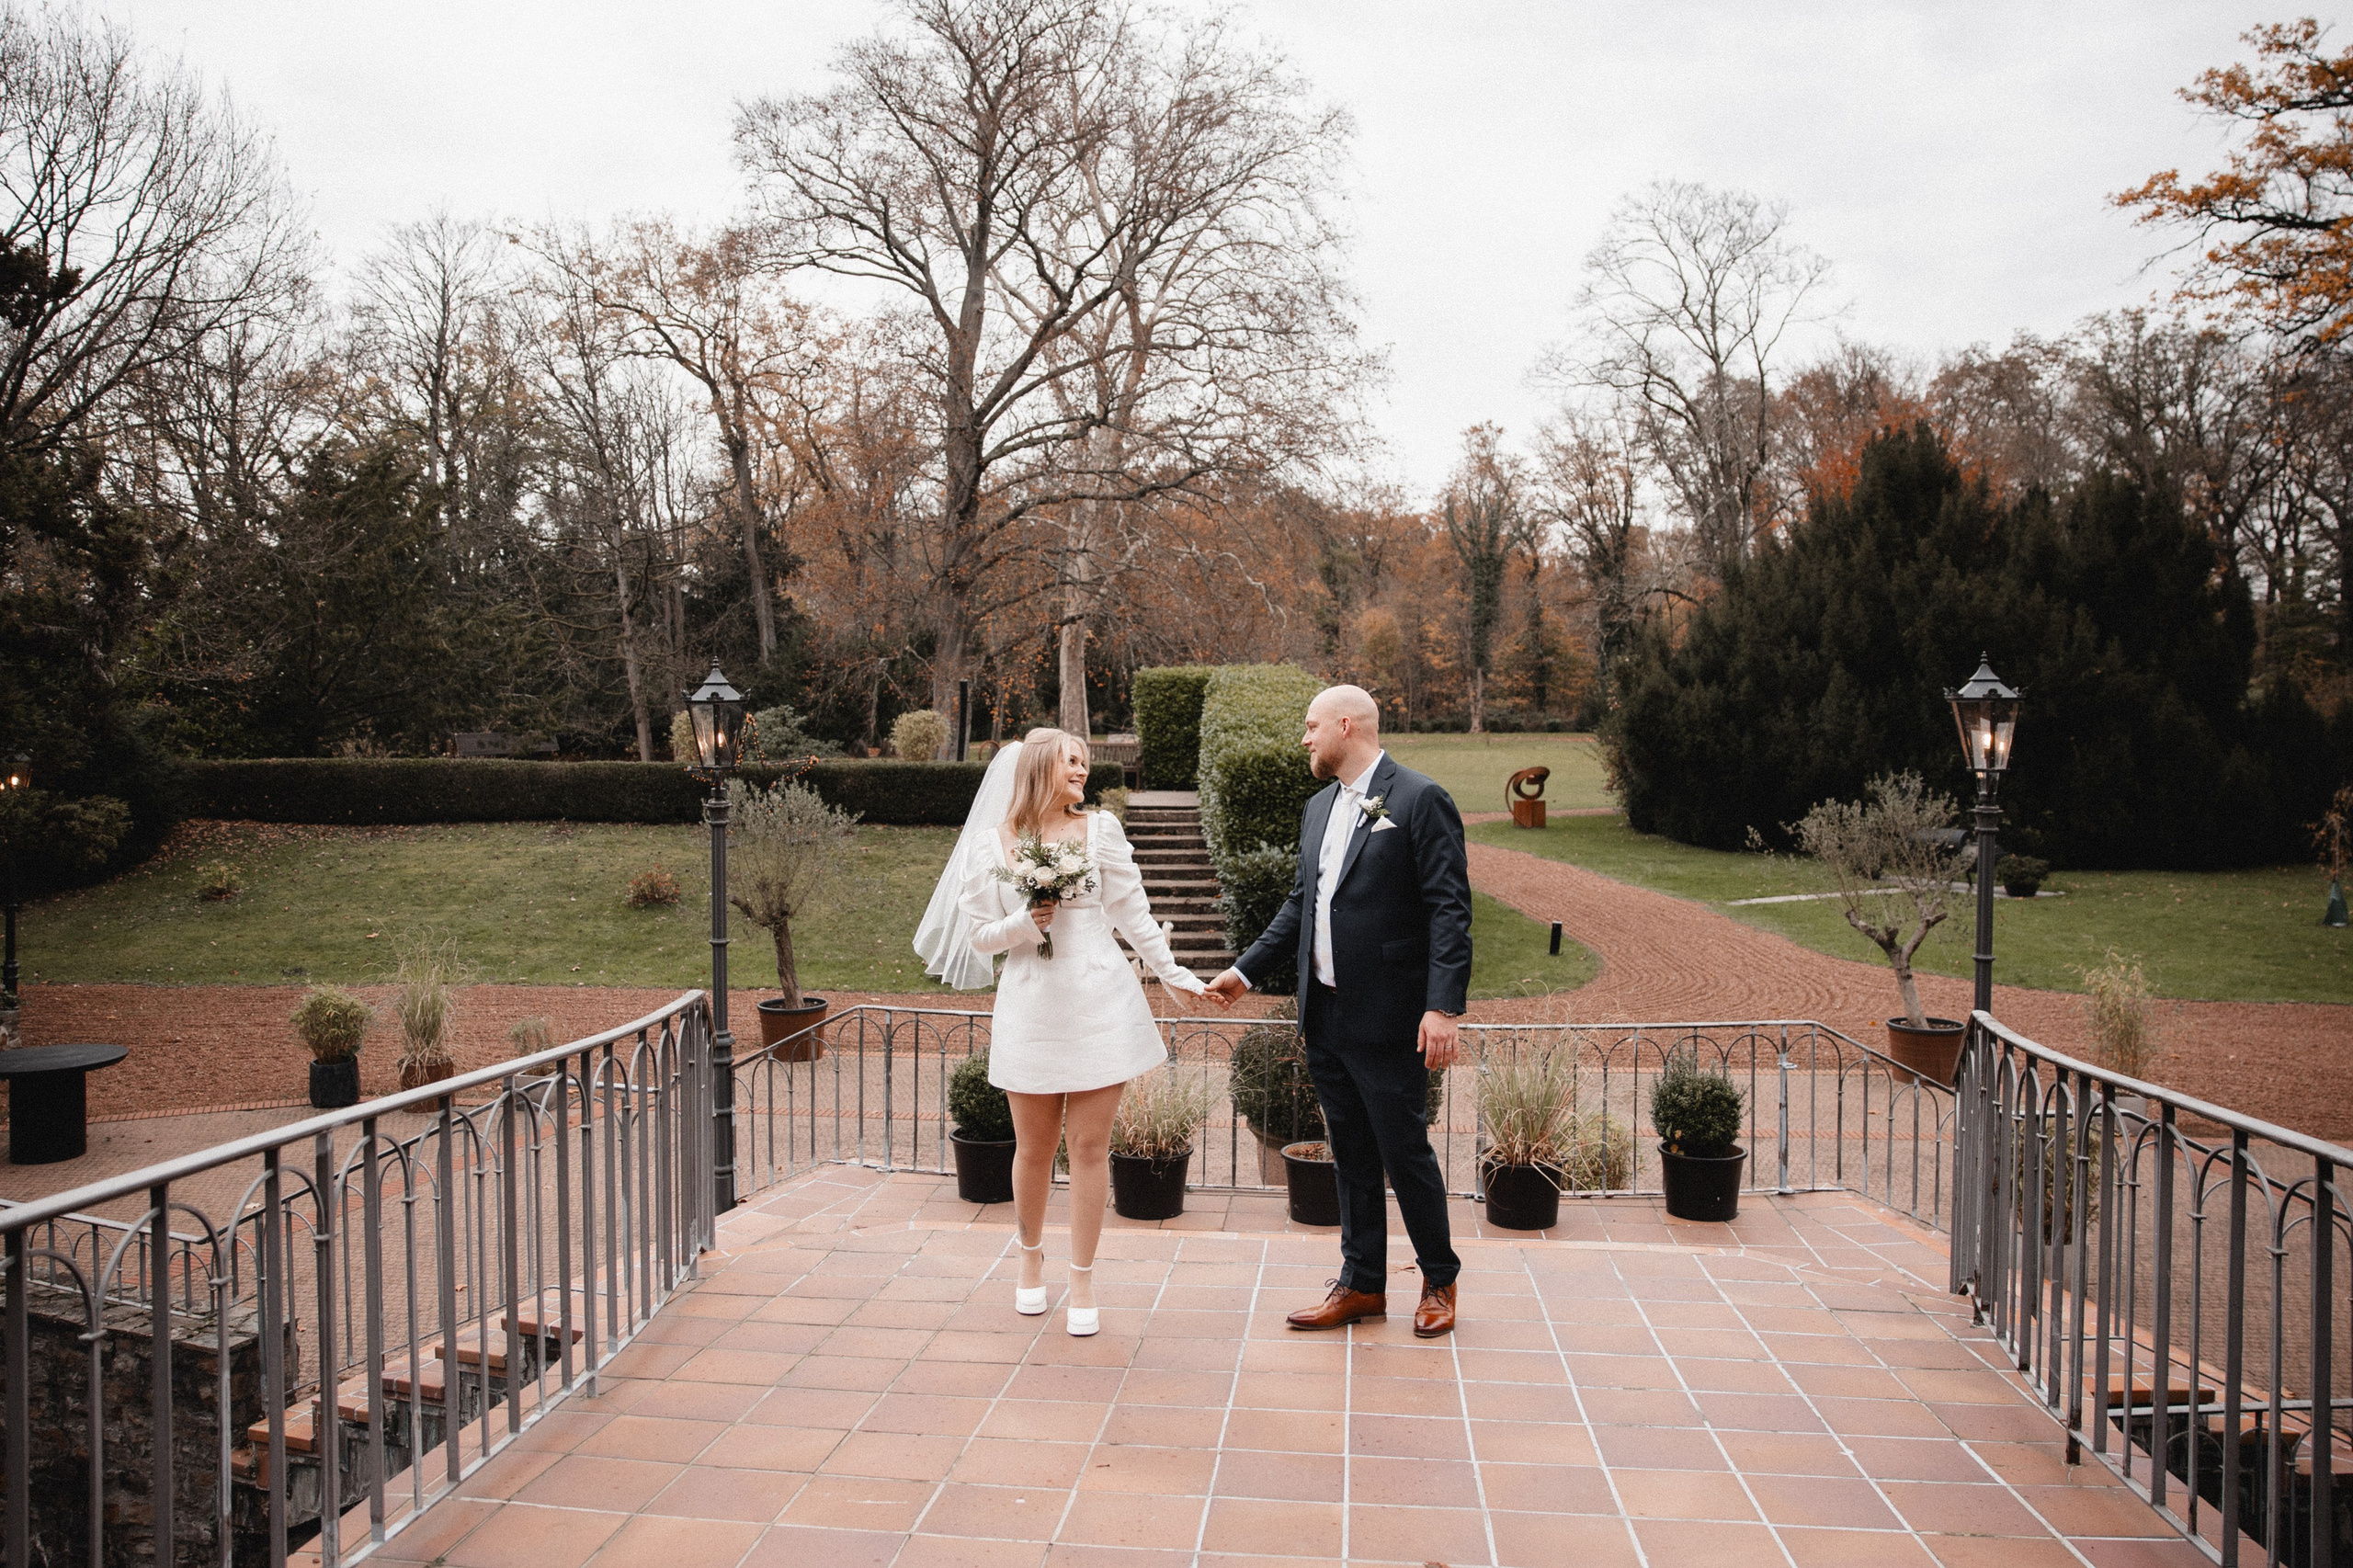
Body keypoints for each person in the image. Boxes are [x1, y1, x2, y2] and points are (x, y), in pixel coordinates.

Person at [916, 727, 1209, 1336]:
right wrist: (1024, 922)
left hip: (1100, 999)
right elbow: (979, 937)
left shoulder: (1101, 830)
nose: (1082, 770)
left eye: (1085, 761)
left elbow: (1133, 913)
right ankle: (1028, 1263)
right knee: (1033, 1148)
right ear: (1041, 767)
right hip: (1030, 1005)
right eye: (1072, 760)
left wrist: (1173, 972)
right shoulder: (990, 846)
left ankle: (1082, 1279)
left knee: (1090, 1148)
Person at [1205, 685, 1472, 1337]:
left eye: (1311, 726)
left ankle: (1439, 1279)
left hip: (1389, 1015)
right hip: (1322, 1014)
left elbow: (1449, 909)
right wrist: (1244, 972)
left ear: (1345, 726)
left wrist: (1442, 1006)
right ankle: (1361, 1284)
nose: (1305, 738)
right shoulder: (1318, 808)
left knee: (1403, 1151)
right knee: (1347, 1152)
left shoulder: (1418, 799)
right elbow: (1303, 904)